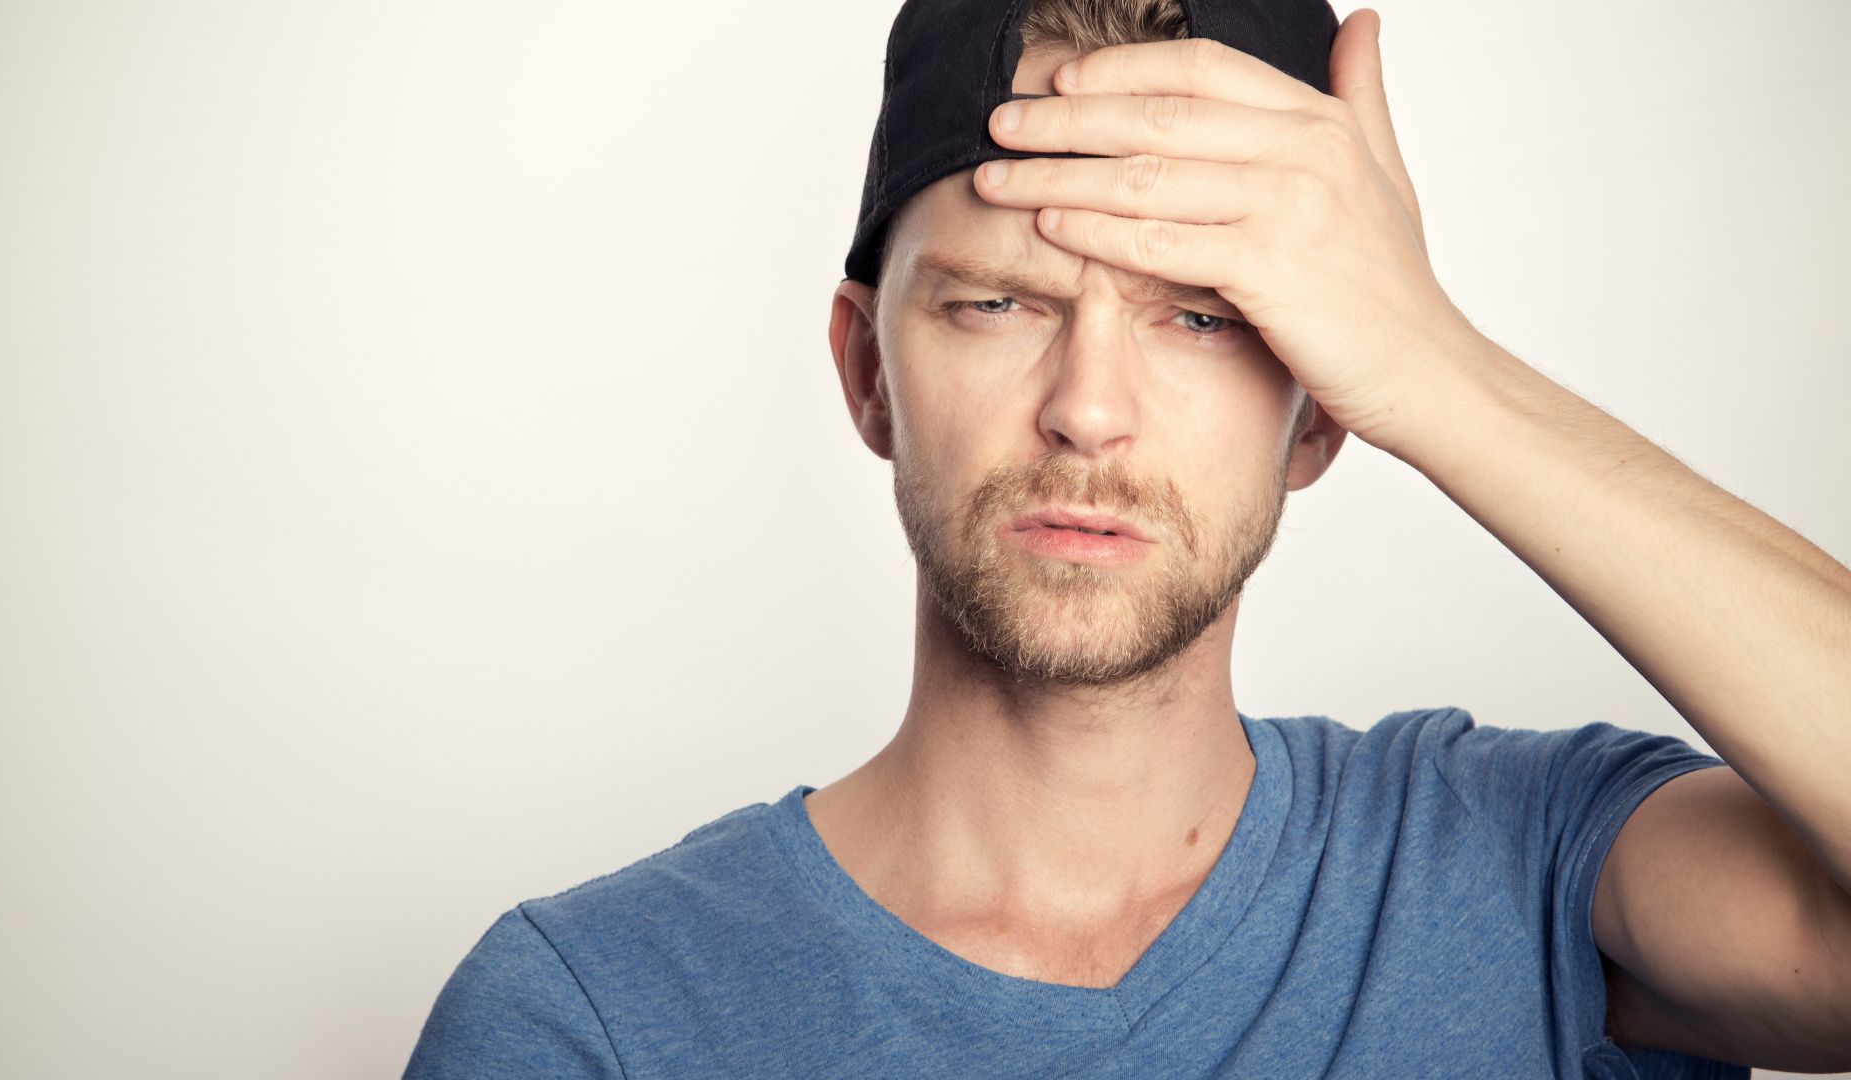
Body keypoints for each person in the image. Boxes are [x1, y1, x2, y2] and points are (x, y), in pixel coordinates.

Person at [403, 0, 1851, 1075]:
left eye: (1201, 317)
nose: (1089, 410)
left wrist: (1444, 372)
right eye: (998, 304)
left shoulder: (1518, 869)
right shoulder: (589, 1017)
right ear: (867, 375)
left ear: (1322, 413)